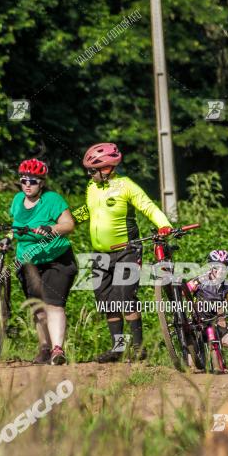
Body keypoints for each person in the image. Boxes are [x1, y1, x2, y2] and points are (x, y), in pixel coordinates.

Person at [82, 142, 173, 363]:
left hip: (127, 250)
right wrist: (64, 222)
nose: (90, 174)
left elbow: (148, 206)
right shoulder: (91, 188)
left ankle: (139, 347)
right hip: (100, 253)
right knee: (106, 301)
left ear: (107, 169)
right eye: (89, 170)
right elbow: (88, 211)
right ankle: (118, 349)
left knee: (125, 296)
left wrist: (164, 225)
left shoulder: (126, 186)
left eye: (93, 170)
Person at [7, 158, 77, 365]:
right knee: (38, 307)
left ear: (42, 183)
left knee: (54, 304)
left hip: (57, 260)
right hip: (28, 262)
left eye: (33, 181)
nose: (28, 184)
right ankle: (44, 348)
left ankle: (57, 350)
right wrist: (7, 239)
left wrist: (51, 229)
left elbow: (69, 224)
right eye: (24, 180)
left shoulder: (53, 200)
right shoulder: (17, 200)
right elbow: (16, 227)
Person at [186, 250, 228, 373]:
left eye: (225, 267)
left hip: (214, 324)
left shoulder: (227, 287)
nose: (221, 270)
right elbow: (184, 291)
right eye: (218, 267)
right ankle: (192, 368)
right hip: (198, 322)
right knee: (194, 344)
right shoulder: (201, 279)